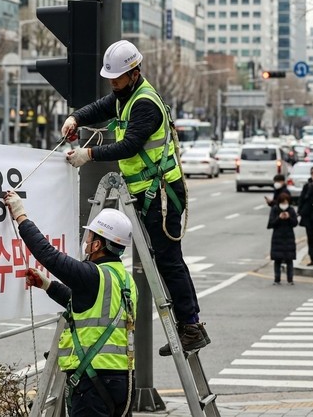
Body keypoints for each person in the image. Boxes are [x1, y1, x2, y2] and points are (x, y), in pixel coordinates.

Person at [59, 39, 208, 355]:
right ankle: (190, 325)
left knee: (169, 260)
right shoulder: (125, 97)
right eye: (110, 80)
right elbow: (101, 107)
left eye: (117, 79)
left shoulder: (144, 104)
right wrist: (76, 118)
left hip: (162, 193)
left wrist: (88, 153)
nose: (113, 84)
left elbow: (129, 146)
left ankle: (191, 326)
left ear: (134, 72)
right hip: (148, 192)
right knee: (166, 260)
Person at [4, 191, 137, 416]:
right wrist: (48, 285)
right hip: (123, 380)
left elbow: (48, 255)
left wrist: (20, 215)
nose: (86, 243)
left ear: (97, 245)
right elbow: (88, 305)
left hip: (92, 381)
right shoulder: (124, 279)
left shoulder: (92, 274)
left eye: (89, 238)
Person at [267, 193, 298, 285]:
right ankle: (277, 279)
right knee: (277, 259)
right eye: (283, 202)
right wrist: (279, 218)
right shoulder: (275, 209)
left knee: (289, 259)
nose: (284, 204)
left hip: (289, 236)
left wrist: (289, 218)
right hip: (277, 236)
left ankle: (290, 279)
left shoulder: (291, 210)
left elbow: (295, 223)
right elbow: (271, 223)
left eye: (286, 202)